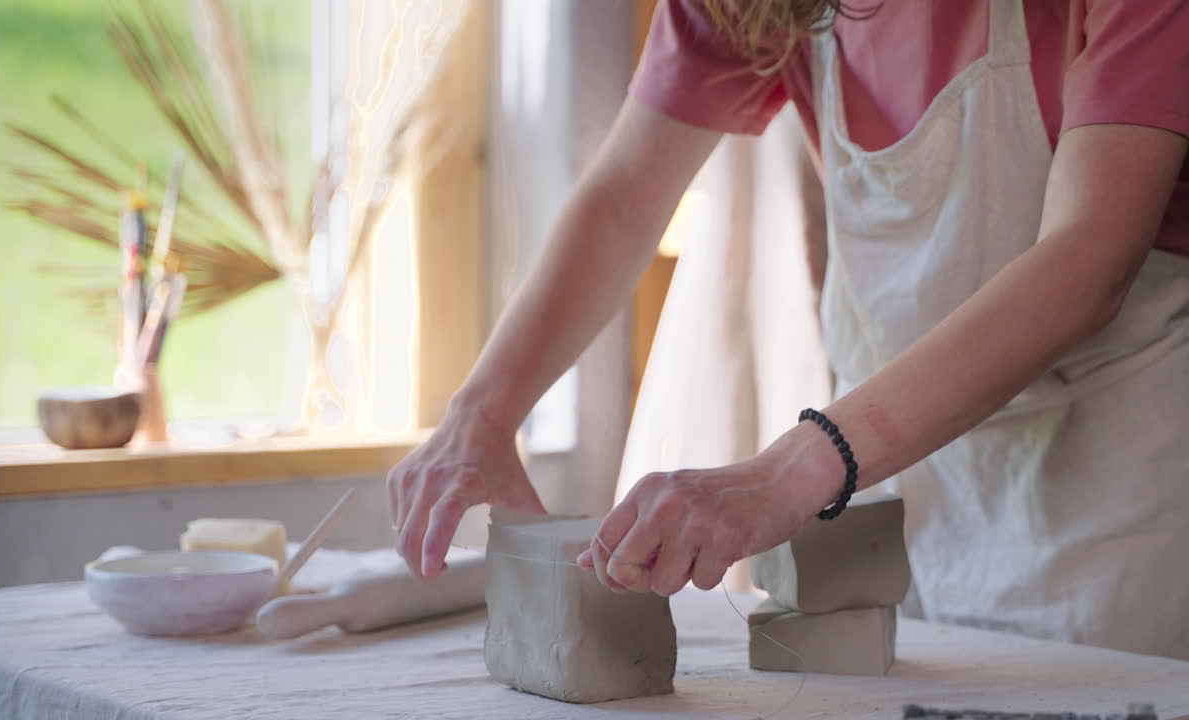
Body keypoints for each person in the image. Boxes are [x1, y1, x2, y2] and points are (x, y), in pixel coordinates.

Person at [388, 0, 1189, 659]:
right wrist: (482, 412)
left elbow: (1090, 261)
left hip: (1118, 520)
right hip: (904, 507)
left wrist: (786, 474)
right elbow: (626, 194)